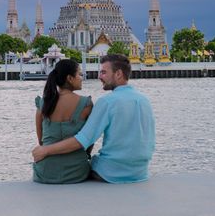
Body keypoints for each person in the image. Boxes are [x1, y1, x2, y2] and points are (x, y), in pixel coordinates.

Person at [32, 54, 155, 184]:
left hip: (111, 172)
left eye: (103, 72)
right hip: (140, 171)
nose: (99, 77)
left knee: (92, 162)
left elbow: (83, 140)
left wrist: (45, 150)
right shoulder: (144, 100)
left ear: (118, 74)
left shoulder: (107, 102)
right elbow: (151, 141)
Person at [33, 59, 93, 184]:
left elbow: (41, 140)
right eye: (80, 74)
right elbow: (89, 140)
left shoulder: (44, 103)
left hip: (45, 172)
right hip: (76, 172)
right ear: (70, 78)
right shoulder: (86, 104)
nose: (82, 78)